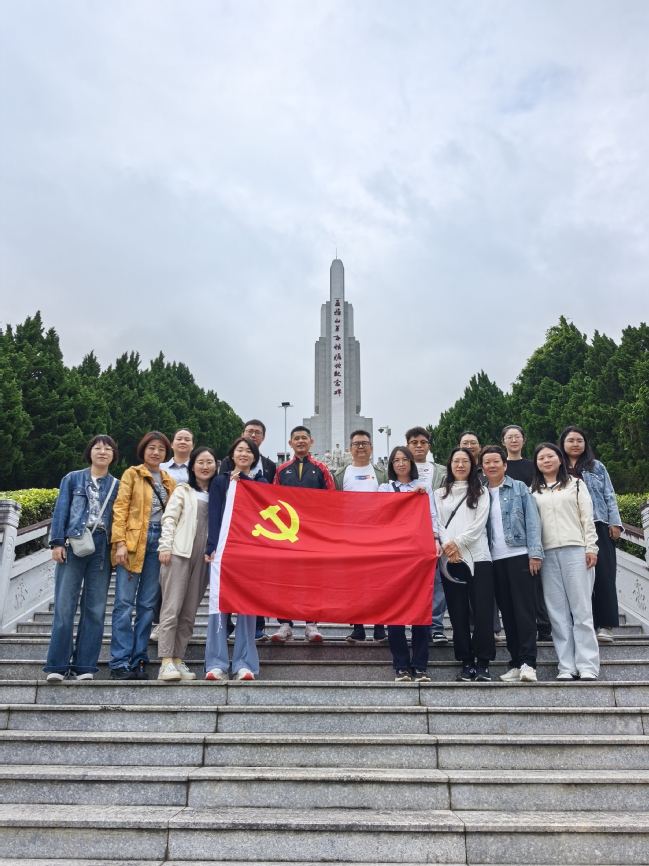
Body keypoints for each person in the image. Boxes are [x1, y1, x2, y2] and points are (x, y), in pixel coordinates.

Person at [44, 435, 120, 682]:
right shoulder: (72, 479)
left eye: (108, 449)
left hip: (102, 547)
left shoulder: (117, 485)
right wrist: (57, 542)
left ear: (113, 455)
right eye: (97, 448)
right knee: (64, 607)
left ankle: (84, 666)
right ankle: (57, 666)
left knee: (95, 610)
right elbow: (61, 511)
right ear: (90, 452)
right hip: (74, 543)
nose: (102, 451)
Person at [109, 431, 176, 680]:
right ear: (143, 450)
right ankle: (119, 660)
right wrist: (120, 543)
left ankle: (139, 658)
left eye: (161, 449)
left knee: (147, 605)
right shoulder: (132, 474)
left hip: (159, 542)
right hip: (134, 540)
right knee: (124, 604)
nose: (156, 452)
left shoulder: (169, 481)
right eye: (151, 448)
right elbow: (120, 508)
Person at [531, 443, 600, 680]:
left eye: (550, 456)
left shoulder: (576, 485)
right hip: (548, 554)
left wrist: (591, 547)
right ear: (536, 464)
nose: (546, 461)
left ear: (560, 459)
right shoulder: (533, 491)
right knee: (557, 613)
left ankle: (588, 665)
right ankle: (566, 666)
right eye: (541, 458)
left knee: (581, 610)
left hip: (576, 551)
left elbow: (587, 518)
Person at [204, 437, 268, 681]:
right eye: (239, 450)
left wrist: (245, 482)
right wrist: (212, 547)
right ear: (232, 455)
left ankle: (244, 663)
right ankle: (216, 663)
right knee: (218, 607)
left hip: (250, 553)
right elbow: (214, 514)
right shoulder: (220, 481)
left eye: (248, 451)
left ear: (254, 457)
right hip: (223, 551)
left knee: (247, 609)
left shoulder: (260, 482)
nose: (244, 454)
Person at [481, 446, 544, 683]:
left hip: (520, 555)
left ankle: (529, 662)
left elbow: (533, 521)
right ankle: (516, 662)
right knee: (507, 614)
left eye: (496, 461)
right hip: (493, 559)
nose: (492, 465)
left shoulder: (519, 488)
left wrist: (535, 554)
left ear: (505, 465)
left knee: (524, 612)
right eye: (487, 462)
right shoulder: (480, 493)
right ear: (482, 468)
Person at [378, 446, 441, 681]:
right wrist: (406, 498)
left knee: (420, 609)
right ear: (391, 465)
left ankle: (421, 665)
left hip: (418, 553)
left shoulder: (424, 488)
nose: (401, 464)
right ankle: (401, 665)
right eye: (396, 460)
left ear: (412, 463)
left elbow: (432, 516)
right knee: (395, 611)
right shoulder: (385, 488)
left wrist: (436, 539)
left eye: (405, 459)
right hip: (393, 554)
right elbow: (382, 514)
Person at [156, 446, 217, 681]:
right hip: (179, 553)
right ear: (192, 467)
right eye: (200, 462)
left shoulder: (218, 494)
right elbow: (169, 518)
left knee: (189, 612)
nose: (205, 466)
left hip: (204, 558)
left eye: (210, 462)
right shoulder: (183, 490)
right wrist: (165, 546)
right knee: (172, 608)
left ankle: (178, 659)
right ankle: (165, 662)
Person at [434, 447, 495, 682]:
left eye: (465, 461)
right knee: (457, 612)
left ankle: (483, 663)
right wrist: (448, 546)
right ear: (449, 465)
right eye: (456, 461)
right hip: (449, 560)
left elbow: (479, 524)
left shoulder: (481, 491)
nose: (460, 465)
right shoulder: (439, 493)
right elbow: (437, 523)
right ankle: (466, 662)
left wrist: (456, 543)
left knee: (482, 611)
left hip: (478, 557)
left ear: (472, 465)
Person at [270, 425, 335, 643]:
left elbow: (332, 499)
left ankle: (311, 624)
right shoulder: (282, 470)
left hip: (313, 534)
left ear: (311, 442)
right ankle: (285, 624)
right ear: (290, 443)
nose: (300, 441)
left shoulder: (321, 469)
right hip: (287, 533)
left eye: (304, 438)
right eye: (296, 438)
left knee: (312, 577)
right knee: (285, 577)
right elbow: (273, 499)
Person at [559, 426, 623, 645]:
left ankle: (605, 625)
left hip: (598, 525)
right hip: (568, 528)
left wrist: (614, 523)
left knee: (604, 575)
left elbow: (609, 494)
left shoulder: (596, 466)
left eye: (579, 440)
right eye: (570, 440)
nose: (575, 444)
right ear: (563, 443)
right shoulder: (558, 467)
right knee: (576, 578)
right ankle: (583, 624)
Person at [219, 419, 276, 641]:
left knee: (256, 581)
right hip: (231, 530)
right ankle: (226, 623)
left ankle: (257, 625)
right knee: (229, 578)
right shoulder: (226, 464)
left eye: (257, 432)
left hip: (257, 531)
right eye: (249, 431)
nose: (253, 435)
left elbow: (269, 494)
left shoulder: (269, 467)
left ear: (263, 438)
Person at [333, 430, 389, 645]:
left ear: (371, 448)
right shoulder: (341, 475)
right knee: (354, 583)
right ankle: (357, 628)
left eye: (365, 443)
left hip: (377, 537)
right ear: (350, 449)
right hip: (351, 538)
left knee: (379, 583)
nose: (361, 447)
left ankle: (380, 628)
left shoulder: (382, 473)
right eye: (356, 444)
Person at [502, 424, 551, 642]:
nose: (513, 440)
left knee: (538, 580)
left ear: (524, 440)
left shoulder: (534, 466)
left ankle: (544, 624)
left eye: (517, 437)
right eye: (509, 437)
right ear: (503, 442)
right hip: (511, 534)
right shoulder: (500, 467)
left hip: (537, 524)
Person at [459, 430, 503, 640]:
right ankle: (471, 627)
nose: (469, 446)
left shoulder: (487, 472)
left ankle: (492, 628)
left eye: (473, 442)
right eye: (465, 442)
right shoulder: (458, 474)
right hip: (465, 540)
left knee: (488, 589)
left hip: (491, 537)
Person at [406, 426, 447, 645]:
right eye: (414, 442)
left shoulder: (442, 472)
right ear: (408, 446)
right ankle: (411, 622)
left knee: (437, 581)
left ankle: (437, 626)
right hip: (408, 537)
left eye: (423, 442)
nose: (419, 446)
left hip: (435, 533)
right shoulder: (399, 471)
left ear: (429, 446)